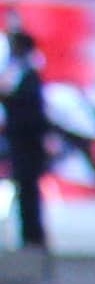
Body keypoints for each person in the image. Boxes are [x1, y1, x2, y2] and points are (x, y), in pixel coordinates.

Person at [1, 26, 49, 251]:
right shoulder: (21, 73)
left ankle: (33, 238)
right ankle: (29, 237)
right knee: (25, 192)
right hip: (21, 144)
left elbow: (30, 112)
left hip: (27, 145)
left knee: (28, 192)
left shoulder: (29, 75)